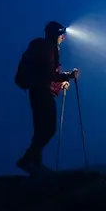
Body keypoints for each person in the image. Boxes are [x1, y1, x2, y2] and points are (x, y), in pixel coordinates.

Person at [14, 21, 79, 174]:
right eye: (61, 34)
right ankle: (27, 161)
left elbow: (45, 75)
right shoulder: (48, 49)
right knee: (48, 129)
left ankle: (35, 165)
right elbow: (47, 75)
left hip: (37, 92)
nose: (63, 37)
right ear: (55, 34)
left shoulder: (45, 48)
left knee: (40, 130)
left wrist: (61, 81)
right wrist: (67, 76)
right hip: (42, 94)